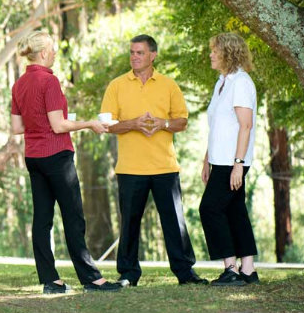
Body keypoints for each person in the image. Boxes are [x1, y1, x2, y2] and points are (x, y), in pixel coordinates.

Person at [10, 32, 122, 294]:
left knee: (42, 219)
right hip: (56, 156)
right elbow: (59, 125)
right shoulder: (49, 81)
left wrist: (40, 121)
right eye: (52, 49)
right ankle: (91, 279)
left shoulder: (19, 84)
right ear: (44, 53)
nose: (55, 53)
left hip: (34, 158)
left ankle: (51, 281)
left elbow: (17, 127)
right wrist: (90, 123)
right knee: (73, 217)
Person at [101, 34, 208, 287]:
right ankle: (128, 273)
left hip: (164, 167)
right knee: (129, 223)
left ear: (152, 55)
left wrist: (163, 123)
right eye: (132, 52)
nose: (134, 57)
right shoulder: (116, 86)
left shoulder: (169, 85)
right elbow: (107, 124)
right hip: (130, 168)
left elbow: (181, 121)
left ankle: (185, 273)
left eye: (139, 53)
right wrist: (133, 124)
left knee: (174, 222)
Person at [199, 33, 259, 286]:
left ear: (229, 53)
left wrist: (238, 164)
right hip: (220, 160)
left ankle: (230, 269)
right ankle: (248, 270)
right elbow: (218, 125)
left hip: (232, 162)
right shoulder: (222, 82)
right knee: (235, 211)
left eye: (215, 50)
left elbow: (245, 126)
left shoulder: (241, 83)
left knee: (210, 209)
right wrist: (206, 160)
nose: (211, 54)